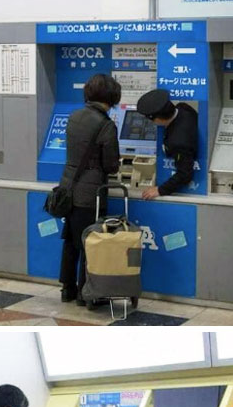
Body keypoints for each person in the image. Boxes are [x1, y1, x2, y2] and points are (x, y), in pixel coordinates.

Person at [58, 74, 121, 305]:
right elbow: (111, 164)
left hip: (69, 188)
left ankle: (67, 289)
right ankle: (87, 294)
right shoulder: (106, 125)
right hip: (91, 194)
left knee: (71, 240)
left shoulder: (74, 117)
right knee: (90, 244)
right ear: (112, 97)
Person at [136, 88, 198, 200]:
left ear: (158, 119)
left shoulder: (178, 141)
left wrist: (160, 190)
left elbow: (185, 174)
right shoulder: (183, 107)